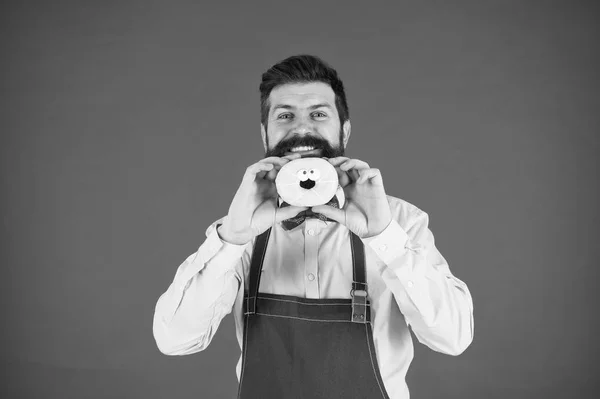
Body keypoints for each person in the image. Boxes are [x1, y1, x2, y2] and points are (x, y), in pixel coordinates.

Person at [152, 54, 474, 398]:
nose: (301, 128)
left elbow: (453, 338)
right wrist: (232, 238)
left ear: (344, 129)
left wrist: (383, 237)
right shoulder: (238, 229)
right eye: (285, 115)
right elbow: (174, 340)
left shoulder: (401, 222)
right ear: (265, 133)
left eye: (318, 114)